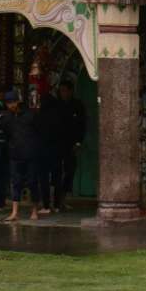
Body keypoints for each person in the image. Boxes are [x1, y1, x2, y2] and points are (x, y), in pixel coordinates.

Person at [3, 91, 42, 222]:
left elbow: (38, 132)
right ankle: (15, 212)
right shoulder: (7, 117)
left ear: (17, 101)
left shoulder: (30, 115)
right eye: (8, 103)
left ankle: (34, 210)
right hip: (15, 154)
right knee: (16, 182)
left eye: (12, 102)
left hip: (31, 153)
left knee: (32, 182)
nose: (11, 105)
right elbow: (7, 134)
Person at [51, 80, 86, 211]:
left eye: (65, 90)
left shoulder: (77, 105)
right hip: (57, 144)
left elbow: (82, 125)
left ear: (71, 91)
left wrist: (78, 142)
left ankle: (63, 199)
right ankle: (56, 202)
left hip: (71, 144)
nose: (63, 93)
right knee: (56, 172)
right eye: (61, 91)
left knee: (69, 171)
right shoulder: (56, 105)